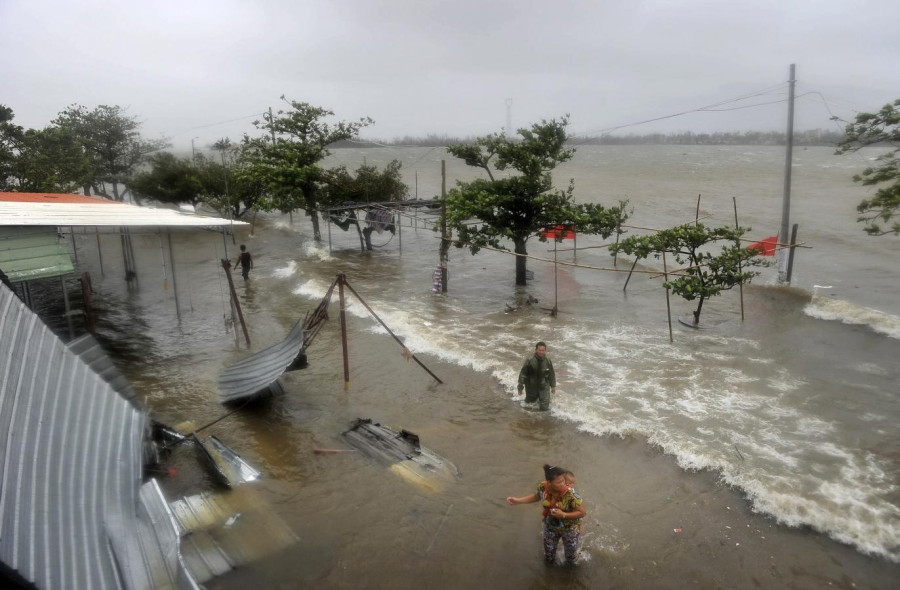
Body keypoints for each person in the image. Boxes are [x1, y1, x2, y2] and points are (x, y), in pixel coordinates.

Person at [506, 464, 586, 565]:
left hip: (569, 528)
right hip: (551, 526)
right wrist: (518, 500)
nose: (563, 484)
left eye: (563, 481)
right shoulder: (543, 487)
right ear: (549, 482)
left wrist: (563, 515)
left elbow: (582, 512)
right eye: (559, 482)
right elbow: (536, 496)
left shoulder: (571, 494)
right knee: (549, 557)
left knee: (570, 559)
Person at [517, 341, 557, 411]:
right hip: (531, 387)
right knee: (529, 406)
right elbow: (523, 374)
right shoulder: (529, 360)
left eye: (543, 350)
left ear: (545, 351)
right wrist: (520, 387)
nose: (541, 352)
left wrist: (553, 386)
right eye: (539, 350)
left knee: (544, 408)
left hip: (544, 387)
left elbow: (551, 374)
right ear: (536, 350)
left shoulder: (548, 361)